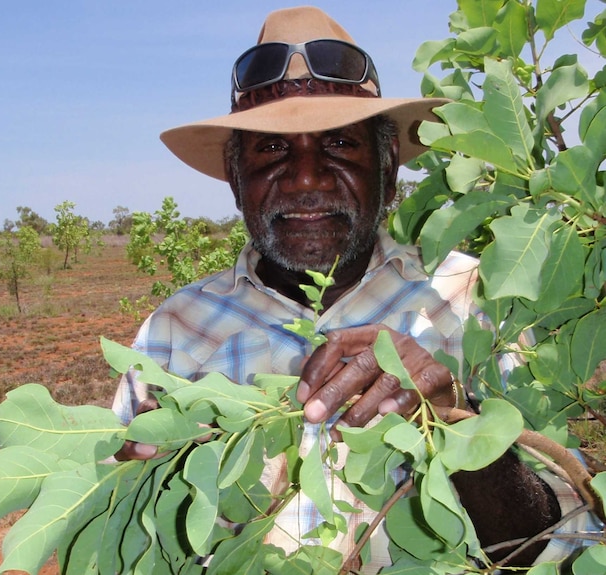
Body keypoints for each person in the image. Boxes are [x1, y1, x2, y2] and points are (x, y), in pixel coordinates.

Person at [112, 6, 598, 572]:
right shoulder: (174, 331)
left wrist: (457, 425)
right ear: (235, 175)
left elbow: (567, 540)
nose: (306, 178)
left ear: (389, 164)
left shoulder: (477, 301)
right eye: (271, 150)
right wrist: (140, 487)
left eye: (339, 144)